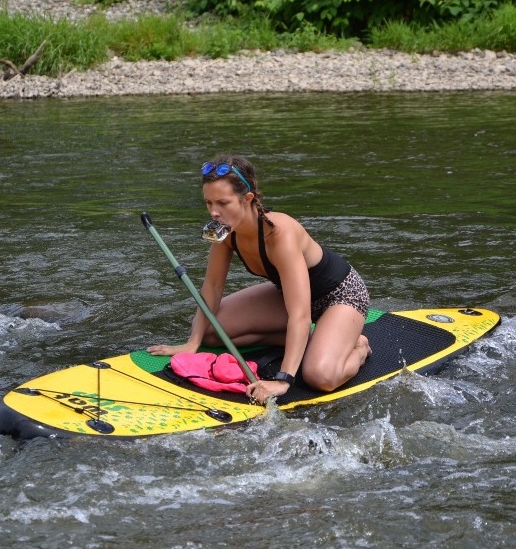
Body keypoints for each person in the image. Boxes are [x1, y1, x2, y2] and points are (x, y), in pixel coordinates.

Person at [148, 154, 371, 404]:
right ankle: (313, 341)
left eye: (222, 202)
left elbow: (300, 314)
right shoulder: (225, 231)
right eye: (208, 202)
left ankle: (359, 347)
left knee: (320, 376)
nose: (214, 212)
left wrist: (283, 379)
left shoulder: (280, 234)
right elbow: (212, 287)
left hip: (338, 296)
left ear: (248, 199)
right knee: (211, 331)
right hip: (287, 296)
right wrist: (192, 342)